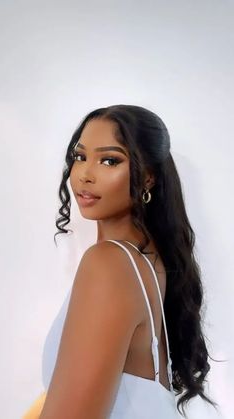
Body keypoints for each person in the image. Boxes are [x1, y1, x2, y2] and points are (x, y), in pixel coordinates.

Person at [23, 104, 219, 419]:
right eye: (80, 156)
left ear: (148, 178)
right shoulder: (145, 263)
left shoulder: (110, 264)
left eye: (109, 160)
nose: (85, 174)